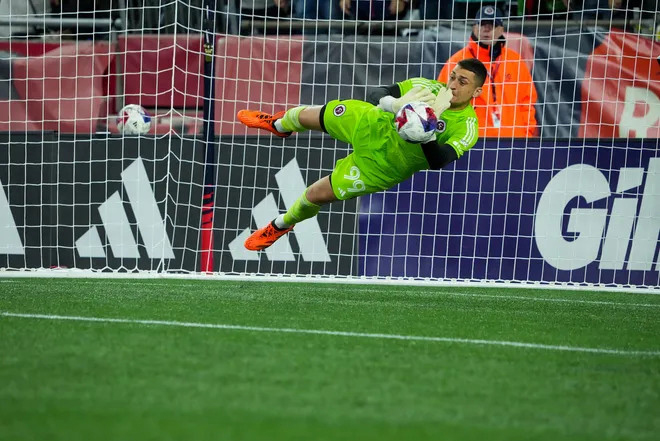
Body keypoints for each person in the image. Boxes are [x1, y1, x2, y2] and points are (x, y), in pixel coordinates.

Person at [236, 58, 487, 251]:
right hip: (371, 123)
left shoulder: (467, 127)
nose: (452, 85)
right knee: (309, 115)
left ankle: (280, 225)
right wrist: (394, 104)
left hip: (383, 166)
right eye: (452, 77)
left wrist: (426, 131)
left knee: (315, 194)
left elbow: (439, 161)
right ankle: (278, 125)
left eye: (462, 82)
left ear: (476, 92)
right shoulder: (426, 87)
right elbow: (376, 93)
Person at [438, 6, 538, 138]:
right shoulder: (457, 62)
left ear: (501, 30)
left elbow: (527, 102)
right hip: (471, 140)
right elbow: (443, 102)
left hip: (513, 141)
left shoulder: (515, 61)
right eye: (482, 24)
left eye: (492, 25)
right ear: (474, 28)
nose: (487, 29)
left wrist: (526, 134)